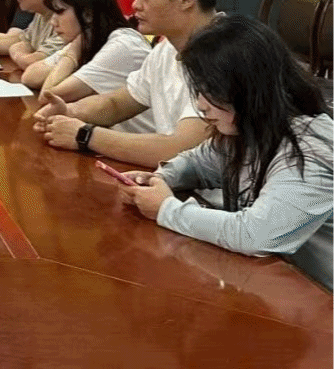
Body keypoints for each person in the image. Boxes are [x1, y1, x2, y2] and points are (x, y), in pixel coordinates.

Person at [119, 15, 334, 294]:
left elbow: (255, 236)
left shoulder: (311, 146)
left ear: (248, 87)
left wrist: (165, 209)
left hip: (320, 300)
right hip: (278, 286)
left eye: (210, 91)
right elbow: (197, 162)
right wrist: (160, 178)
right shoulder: (251, 127)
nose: (201, 105)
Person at [33, 0, 223, 168]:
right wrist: (69, 111)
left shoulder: (225, 57)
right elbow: (117, 103)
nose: (135, 4)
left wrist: (85, 135)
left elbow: (180, 150)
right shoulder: (165, 50)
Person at [21, 0, 150, 97]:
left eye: (60, 12)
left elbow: (49, 95)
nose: (53, 22)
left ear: (88, 14)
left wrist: (71, 55)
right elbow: (29, 76)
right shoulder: (86, 38)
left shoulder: (122, 45)